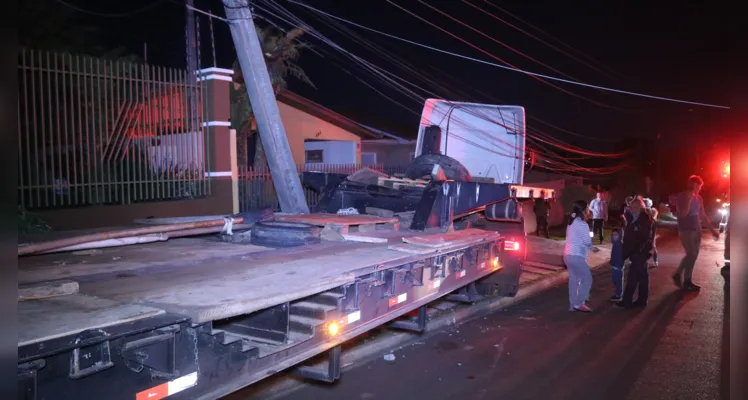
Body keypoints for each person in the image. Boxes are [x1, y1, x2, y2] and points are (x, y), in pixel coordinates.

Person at [673, 175, 720, 291]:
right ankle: (678, 274)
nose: (698, 189)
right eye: (697, 186)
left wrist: (712, 230)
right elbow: (683, 214)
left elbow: (702, 216)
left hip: (696, 229)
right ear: (691, 184)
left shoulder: (699, 198)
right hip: (685, 229)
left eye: (699, 187)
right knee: (691, 254)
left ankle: (687, 281)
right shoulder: (682, 196)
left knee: (693, 256)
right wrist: (689, 199)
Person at [563, 199, 601, 313]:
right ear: (584, 210)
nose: (589, 210)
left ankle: (573, 304)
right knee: (587, 279)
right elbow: (586, 241)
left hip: (567, 255)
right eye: (588, 208)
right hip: (576, 256)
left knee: (574, 279)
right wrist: (591, 247)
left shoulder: (571, 222)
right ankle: (579, 303)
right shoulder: (582, 224)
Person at [616, 197, 654, 308]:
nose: (631, 209)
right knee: (641, 277)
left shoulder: (643, 219)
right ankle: (638, 300)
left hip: (639, 252)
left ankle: (630, 301)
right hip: (638, 252)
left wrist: (627, 252)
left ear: (639, 207)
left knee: (635, 277)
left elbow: (640, 238)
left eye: (633, 207)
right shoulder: (636, 217)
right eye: (630, 206)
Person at [609, 227, 624, 302]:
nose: (614, 236)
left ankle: (619, 295)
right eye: (613, 235)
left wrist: (619, 265)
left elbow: (620, 256)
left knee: (618, 281)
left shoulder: (620, 245)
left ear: (620, 235)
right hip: (614, 265)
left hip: (618, 266)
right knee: (614, 280)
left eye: (616, 235)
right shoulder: (615, 244)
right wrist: (612, 262)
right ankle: (618, 293)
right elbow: (613, 255)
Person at [643, 198, 659, 268]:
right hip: (645, 234)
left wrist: (652, 239)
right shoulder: (644, 214)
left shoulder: (652, 218)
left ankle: (655, 261)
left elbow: (653, 229)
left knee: (652, 247)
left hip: (650, 234)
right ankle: (645, 260)